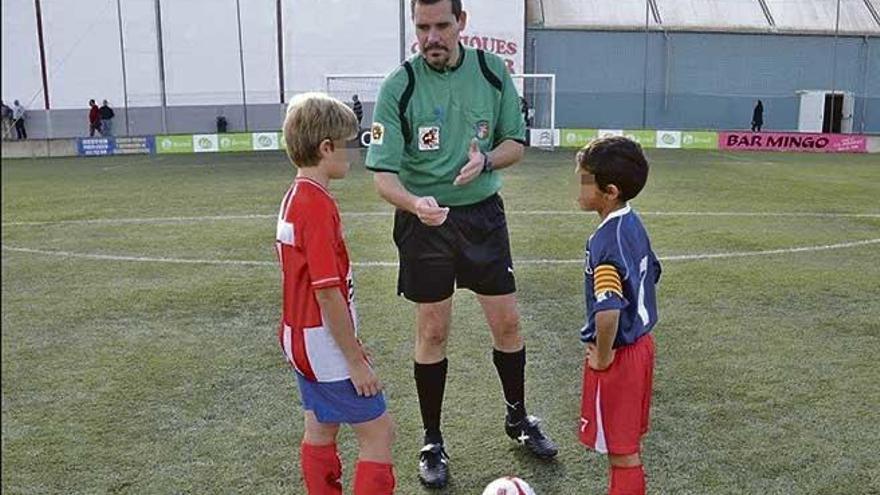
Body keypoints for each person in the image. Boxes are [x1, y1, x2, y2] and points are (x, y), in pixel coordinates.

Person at [365, 0, 557, 488]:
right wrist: (413, 203)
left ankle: (517, 418)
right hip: (424, 220)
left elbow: (516, 141)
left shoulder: (493, 74)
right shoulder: (400, 85)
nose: (431, 36)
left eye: (441, 26)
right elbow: (384, 177)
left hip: (482, 218)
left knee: (508, 322)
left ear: (461, 24)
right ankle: (433, 440)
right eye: (422, 27)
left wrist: (487, 161)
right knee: (432, 331)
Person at [276, 92, 396, 494]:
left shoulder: (294, 196)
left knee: (321, 425)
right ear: (326, 148)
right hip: (323, 344)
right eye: (349, 143)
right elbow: (327, 294)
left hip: (298, 338)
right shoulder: (317, 206)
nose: (353, 152)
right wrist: (353, 358)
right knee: (378, 432)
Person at [575, 136, 661, 495]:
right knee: (626, 448)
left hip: (620, 357)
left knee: (621, 454)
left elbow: (608, 309)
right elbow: (652, 271)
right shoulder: (633, 223)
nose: (577, 188)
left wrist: (605, 356)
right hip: (642, 345)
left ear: (609, 191)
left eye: (583, 181)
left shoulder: (605, 241)